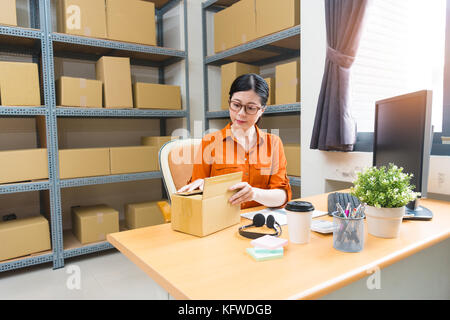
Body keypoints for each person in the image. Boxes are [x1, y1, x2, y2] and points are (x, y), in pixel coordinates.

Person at [178, 73, 292, 209]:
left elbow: (282, 196)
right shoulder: (209, 142)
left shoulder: (273, 143)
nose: (241, 113)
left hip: (260, 221)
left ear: (262, 110)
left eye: (250, 108)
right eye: (236, 105)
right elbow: (195, 191)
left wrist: (254, 193)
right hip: (221, 221)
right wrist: (202, 188)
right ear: (229, 103)